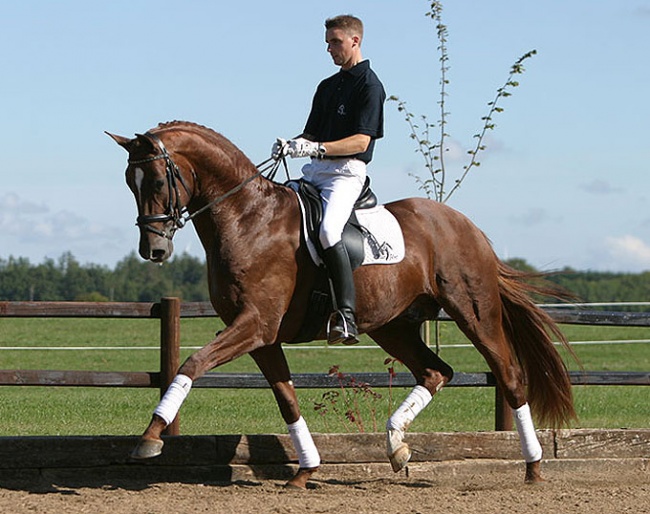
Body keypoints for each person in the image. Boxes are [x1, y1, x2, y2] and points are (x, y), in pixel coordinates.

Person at [272, 14, 386, 345]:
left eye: (335, 42)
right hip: (316, 171)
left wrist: (316, 147)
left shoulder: (371, 86)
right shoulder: (327, 86)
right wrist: (292, 144)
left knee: (327, 230)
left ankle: (346, 316)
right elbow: (311, 133)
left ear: (355, 41)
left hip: (345, 173)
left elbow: (361, 142)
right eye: (327, 43)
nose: (330, 49)